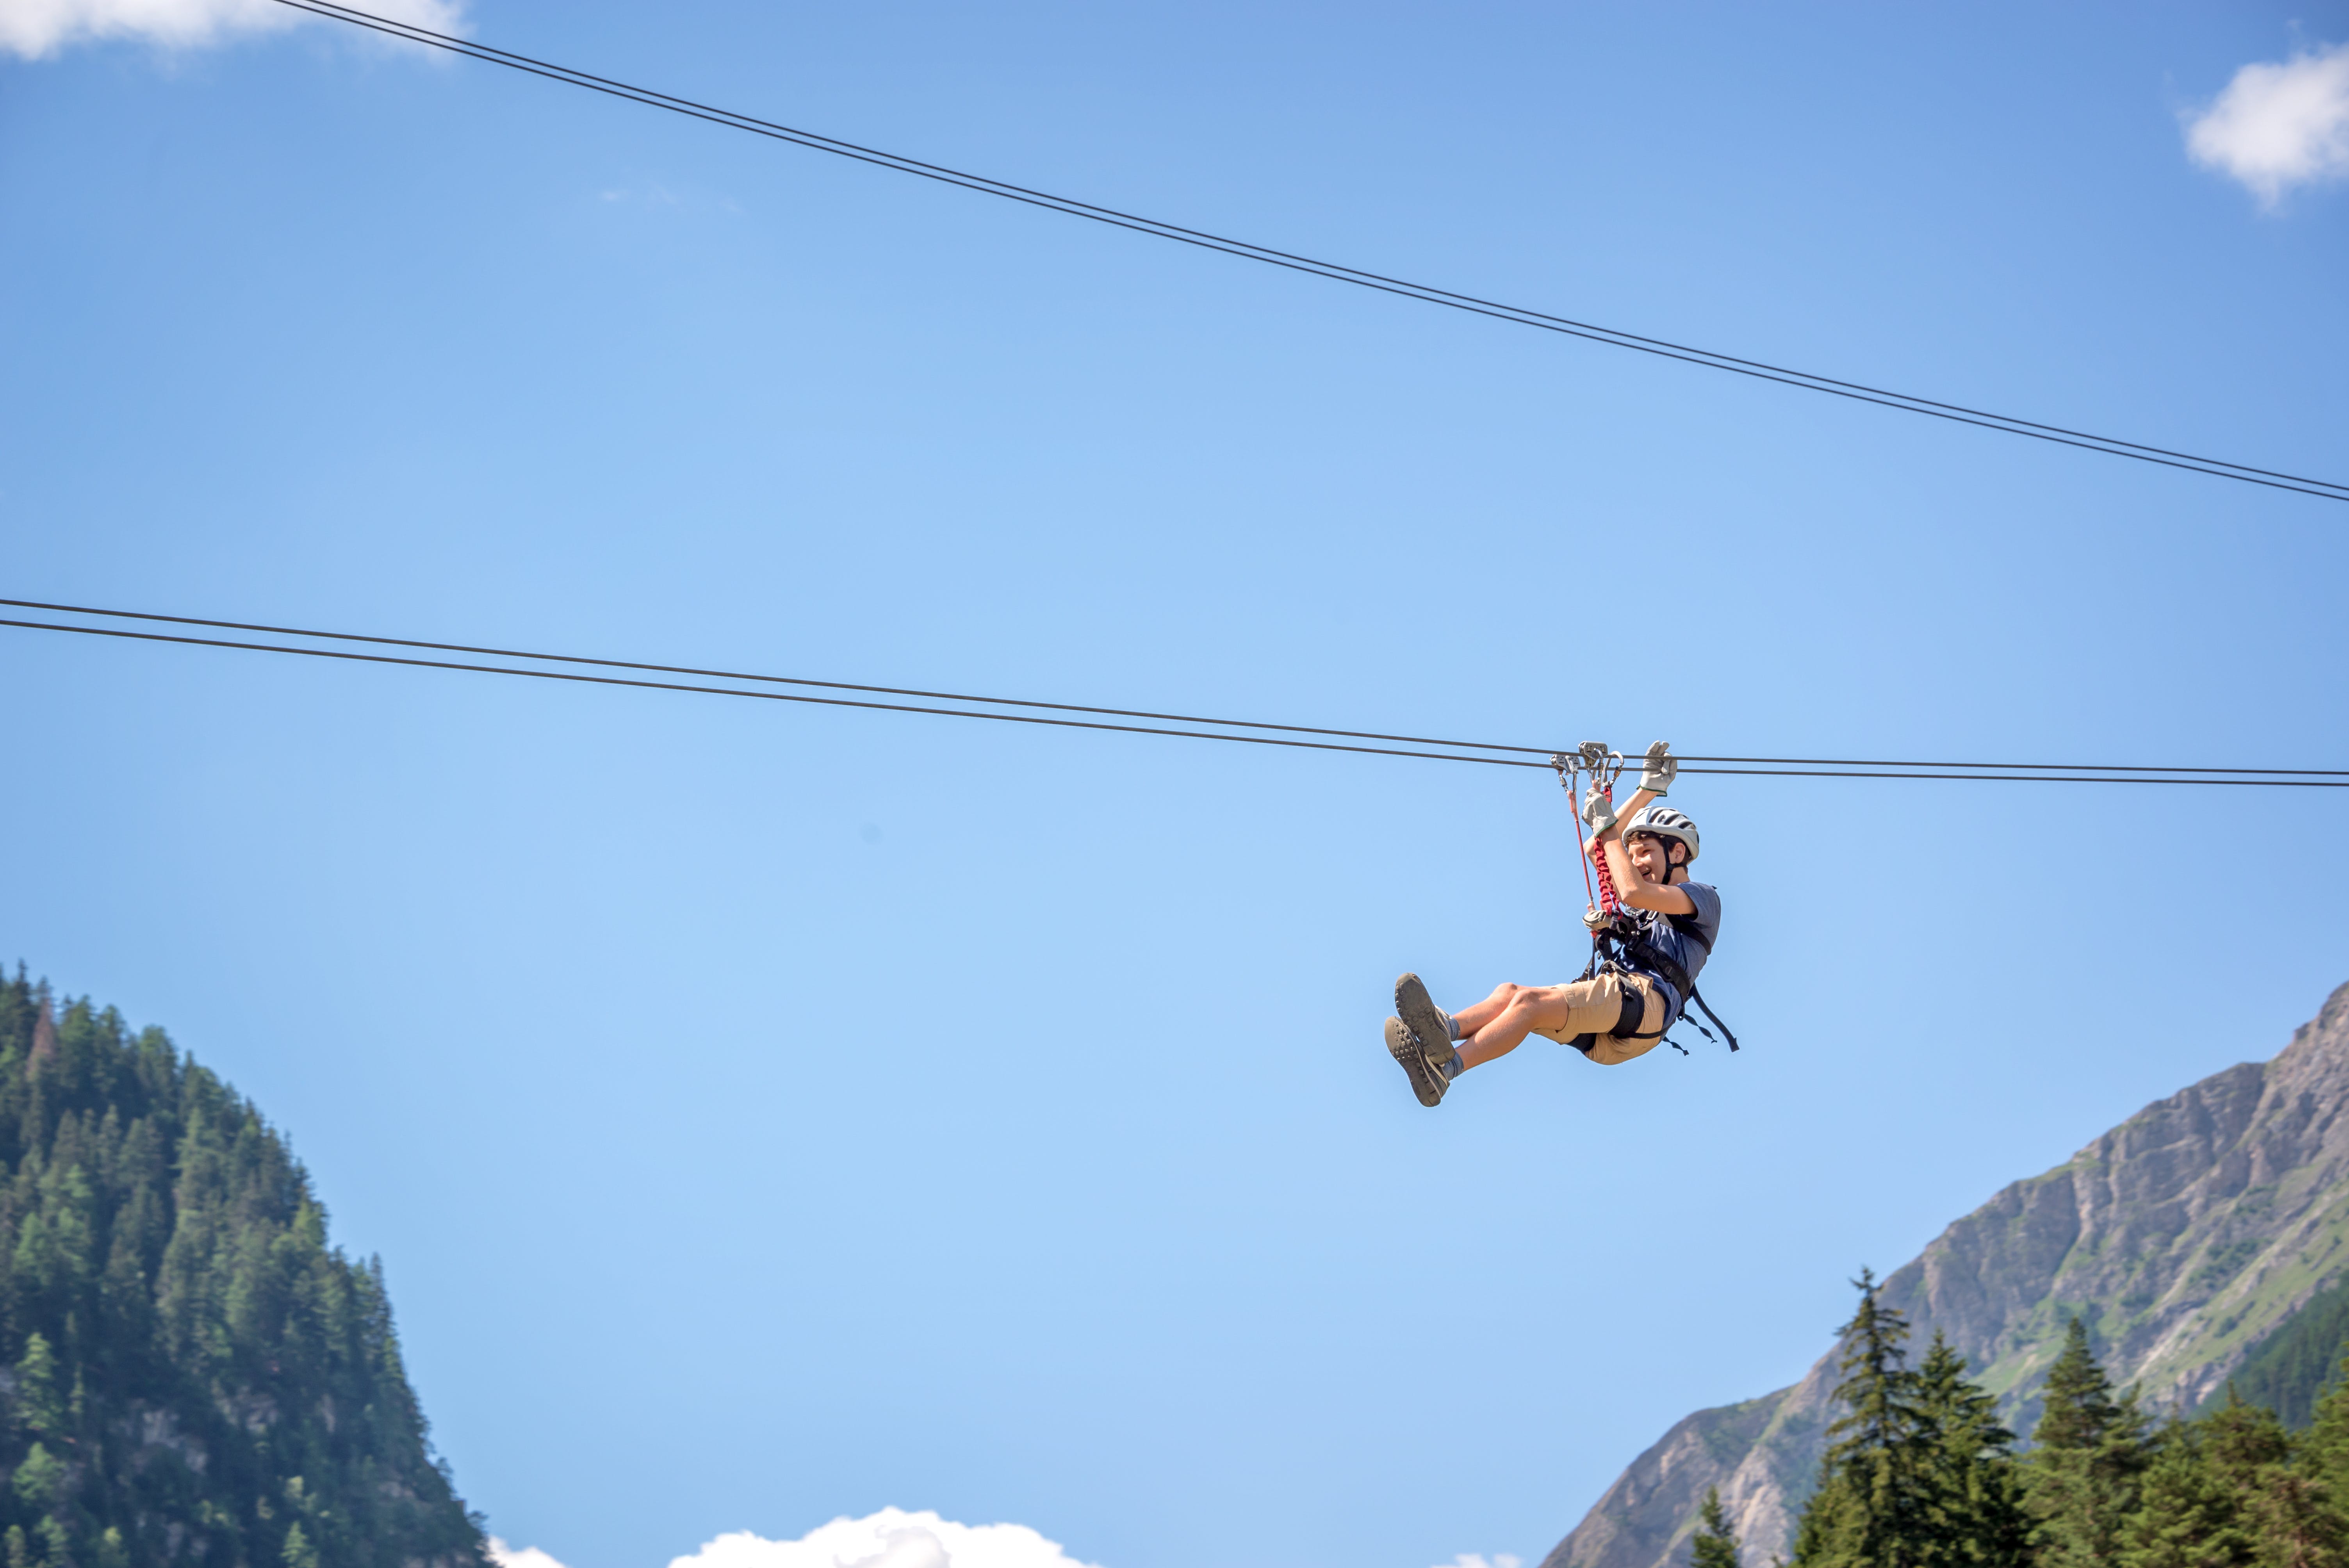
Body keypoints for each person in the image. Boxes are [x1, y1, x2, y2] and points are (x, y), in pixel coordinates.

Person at [1385, 741, 1722, 1107]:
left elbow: (1630, 890)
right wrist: (1646, 793)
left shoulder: (1702, 897)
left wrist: (1609, 827)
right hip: (1619, 1024)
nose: (1637, 861)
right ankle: (1446, 1030)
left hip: (1644, 1004)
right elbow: (1598, 850)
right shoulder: (1646, 905)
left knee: (1529, 1002)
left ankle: (1446, 1071)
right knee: (1511, 994)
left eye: (1646, 852)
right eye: (1634, 854)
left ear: (1677, 853)